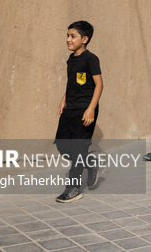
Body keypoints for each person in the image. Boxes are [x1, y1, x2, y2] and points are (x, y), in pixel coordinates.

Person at [55, 20, 103, 203]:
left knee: (78, 147)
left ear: (85, 39)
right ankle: (90, 163)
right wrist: (63, 100)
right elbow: (72, 83)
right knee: (61, 144)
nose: (68, 39)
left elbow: (99, 84)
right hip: (70, 108)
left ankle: (73, 188)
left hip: (85, 109)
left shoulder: (91, 59)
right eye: (67, 35)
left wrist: (91, 109)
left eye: (72, 36)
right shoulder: (71, 59)